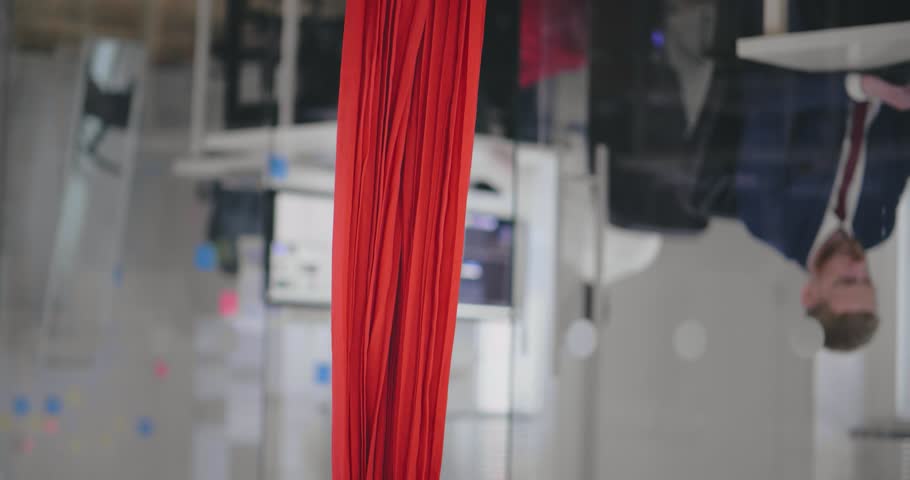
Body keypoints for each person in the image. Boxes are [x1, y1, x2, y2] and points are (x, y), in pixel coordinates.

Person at [692, 1, 910, 351]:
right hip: (886, 46)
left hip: (812, 34)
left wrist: (859, 88)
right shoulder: (876, 228)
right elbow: (900, 137)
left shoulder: (769, 218)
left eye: (845, 280)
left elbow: (770, 100)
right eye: (866, 278)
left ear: (811, 293)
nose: (858, 264)